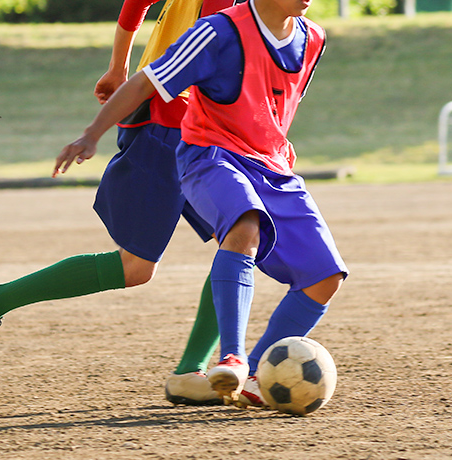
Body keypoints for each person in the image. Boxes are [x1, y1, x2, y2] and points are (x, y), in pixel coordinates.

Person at [54, 0, 349, 405]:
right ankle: (233, 357)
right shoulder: (218, 32)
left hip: (271, 166)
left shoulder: (313, 38)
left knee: (325, 277)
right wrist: (91, 134)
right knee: (245, 224)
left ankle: (254, 373)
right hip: (210, 155)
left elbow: (278, 101)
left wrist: (278, 144)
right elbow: (146, 83)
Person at [0, 0, 236, 406]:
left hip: (213, 138)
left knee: (241, 241)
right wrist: (118, 68)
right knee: (136, 267)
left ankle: (197, 370)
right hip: (166, 129)